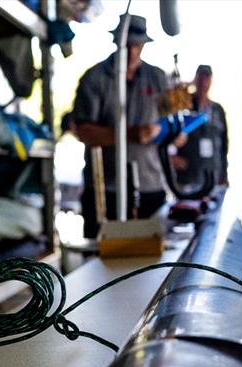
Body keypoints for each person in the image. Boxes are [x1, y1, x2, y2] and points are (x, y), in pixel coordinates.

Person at [72, 14, 167, 238]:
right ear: (116, 42)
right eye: (127, 45)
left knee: (153, 262)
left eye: (137, 45)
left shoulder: (157, 78)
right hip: (106, 189)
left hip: (150, 185)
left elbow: (171, 123)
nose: (132, 51)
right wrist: (131, 134)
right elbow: (84, 131)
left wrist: (169, 130)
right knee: (103, 261)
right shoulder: (95, 79)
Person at [171, 65, 229, 188]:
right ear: (195, 80)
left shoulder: (217, 109)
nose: (203, 83)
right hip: (188, 175)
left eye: (207, 79)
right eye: (200, 79)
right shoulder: (184, 104)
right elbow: (169, 129)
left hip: (213, 173)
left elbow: (224, 143)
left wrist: (224, 172)